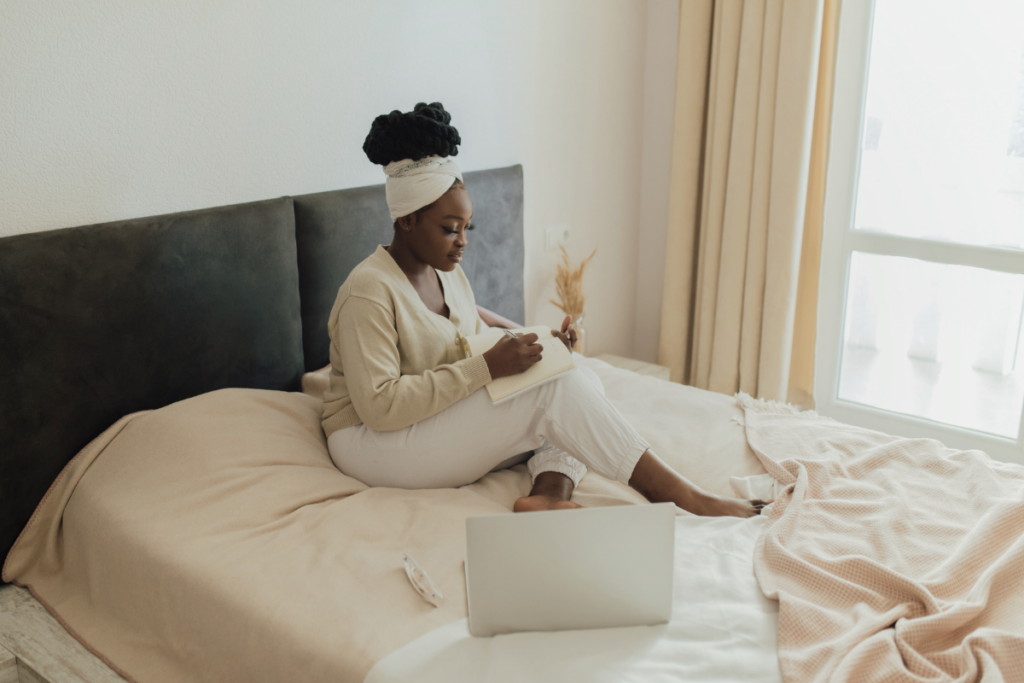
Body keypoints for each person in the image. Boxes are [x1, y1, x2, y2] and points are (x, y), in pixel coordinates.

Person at [322, 102, 763, 517]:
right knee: (556, 394)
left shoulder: (447, 273)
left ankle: (550, 494)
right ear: (407, 220)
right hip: (370, 442)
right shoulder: (369, 291)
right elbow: (381, 406)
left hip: (420, 421)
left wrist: (541, 347)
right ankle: (681, 496)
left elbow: (471, 336)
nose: (463, 242)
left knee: (579, 376)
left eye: (466, 228)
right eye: (449, 229)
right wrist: (488, 369)